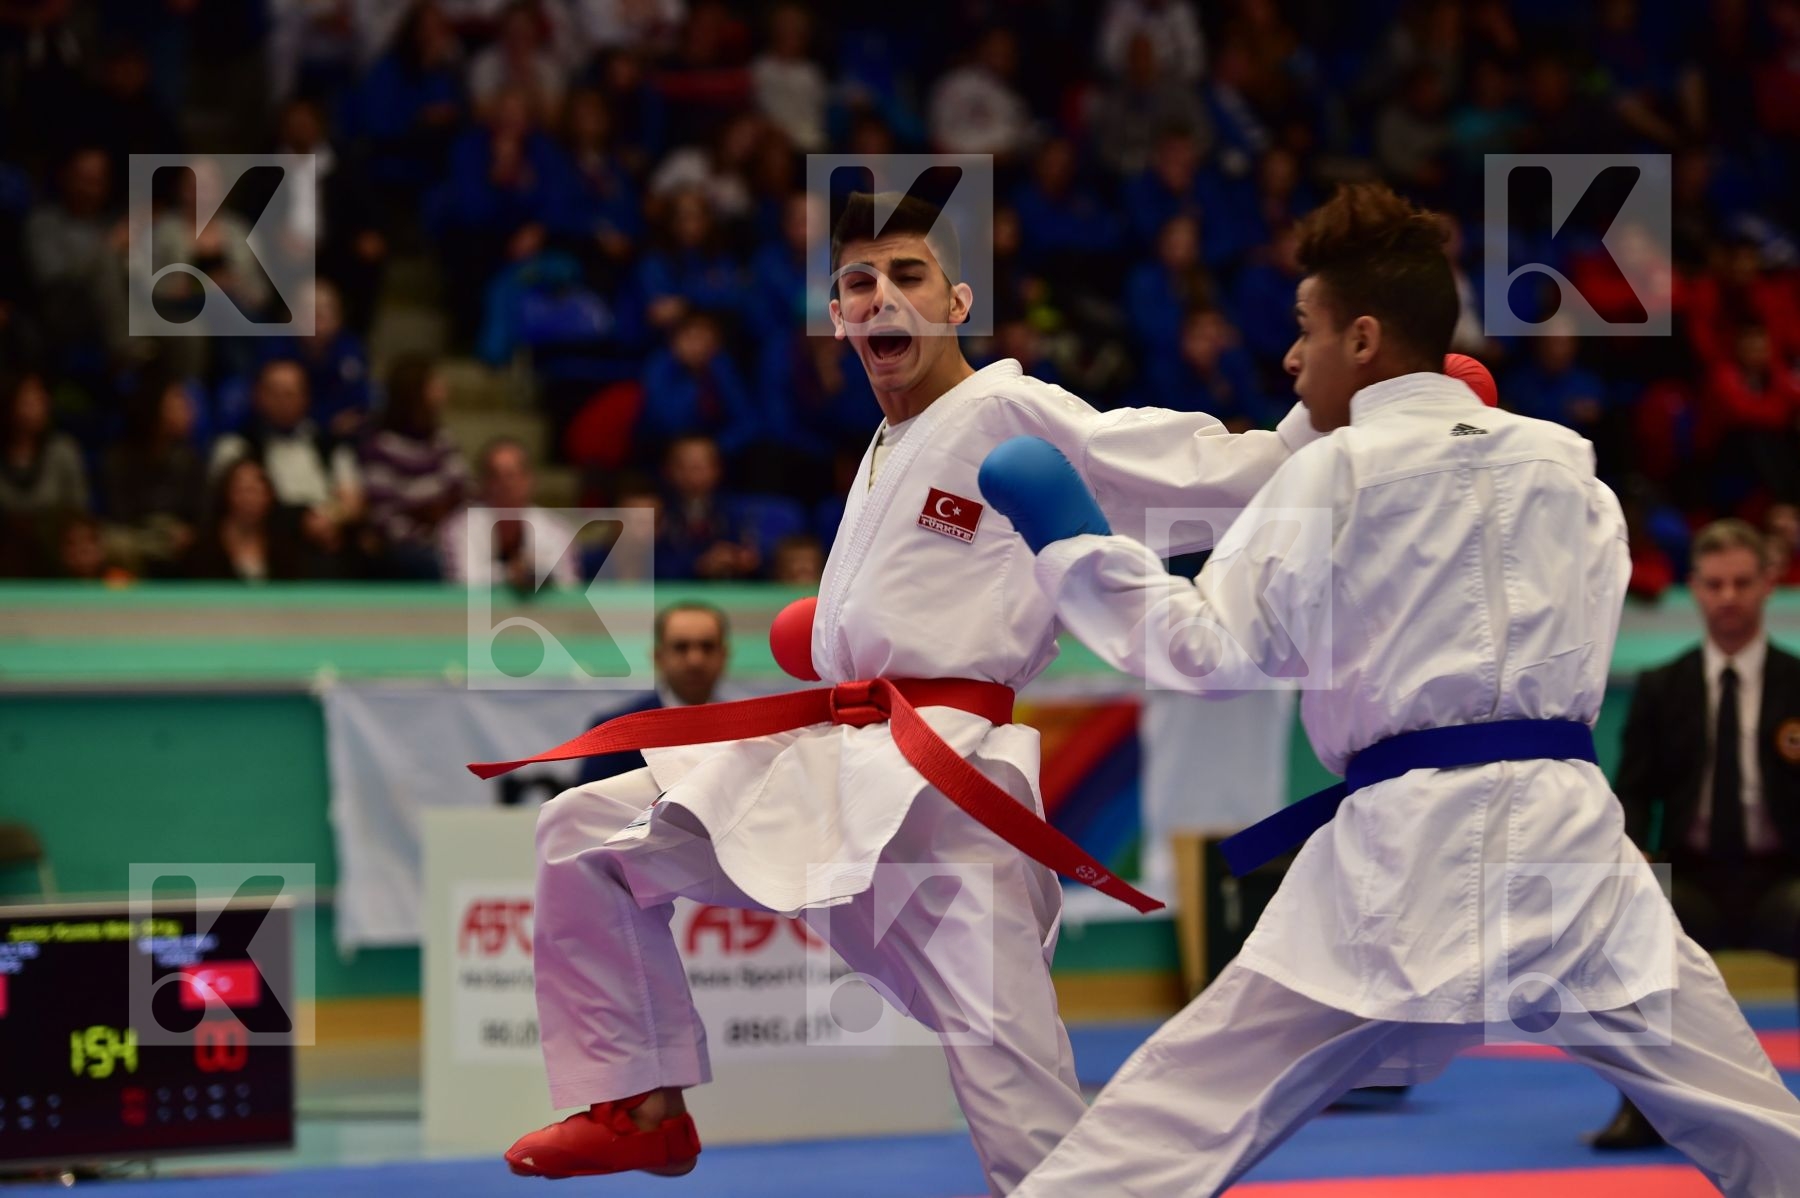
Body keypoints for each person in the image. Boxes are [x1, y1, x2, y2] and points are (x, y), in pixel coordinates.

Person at [486, 189, 1324, 1194]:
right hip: (846, 761)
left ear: (959, 300)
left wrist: (1360, 420)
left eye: (908, 275)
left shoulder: (1009, 409)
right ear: (837, 318)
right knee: (585, 836)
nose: (881, 297)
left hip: (955, 791)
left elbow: (1203, 471)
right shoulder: (885, 449)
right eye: (857, 283)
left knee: (1020, 1097)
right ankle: (644, 1103)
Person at [978, 182, 1800, 1197]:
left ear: (1362, 339)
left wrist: (1073, 542)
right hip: (1568, 846)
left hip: (1398, 860)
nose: (1290, 359)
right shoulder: (1568, 462)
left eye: (1305, 330)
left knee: (1165, 1124)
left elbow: (1209, 650)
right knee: (1759, 1124)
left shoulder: (1332, 472)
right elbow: (1584, 626)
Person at [1592, 519, 1800, 1150]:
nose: (1729, 596)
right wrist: (1636, 860)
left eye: (1742, 582)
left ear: (1769, 584)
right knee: (1632, 917)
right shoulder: (1664, 687)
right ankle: (1645, 1106)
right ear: (1696, 589)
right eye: (1715, 584)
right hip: (1692, 875)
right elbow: (1630, 792)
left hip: (1783, 878)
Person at [576, 602, 731, 788]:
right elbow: (590, 813)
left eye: (707, 647)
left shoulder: (746, 734)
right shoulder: (613, 735)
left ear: (723, 655)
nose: (695, 660)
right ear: (658, 657)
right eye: (681, 647)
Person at [440, 436, 580, 590]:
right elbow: (462, 585)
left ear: (529, 480)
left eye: (512, 475)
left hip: (540, 615)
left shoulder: (557, 530)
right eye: (495, 476)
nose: (505, 484)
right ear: (482, 483)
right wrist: (509, 574)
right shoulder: (458, 528)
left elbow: (568, 589)